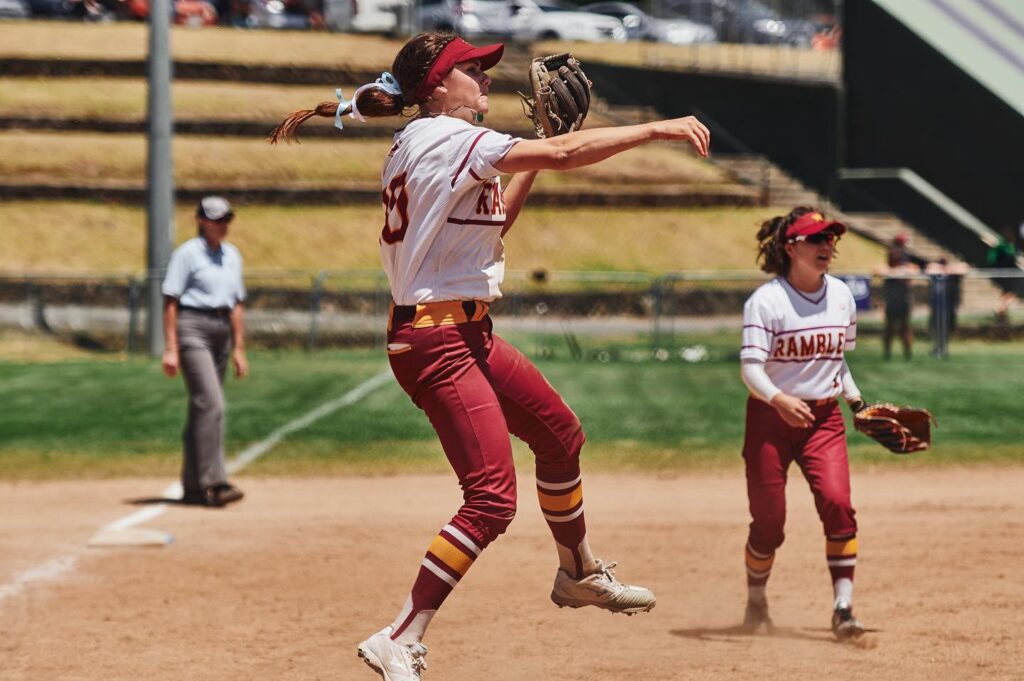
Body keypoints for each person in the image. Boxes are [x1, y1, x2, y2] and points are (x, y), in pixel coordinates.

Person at [269, 32, 710, 680]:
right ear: (437, 87)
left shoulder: (429, 144)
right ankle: (400, 635)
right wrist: (656, 130)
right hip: (436, 340)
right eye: (471, 70)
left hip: (464, 333)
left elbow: (492, 229)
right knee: (491, 499)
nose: (484, 78)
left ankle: (578, 571)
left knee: (560, 436)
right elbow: (562, 152)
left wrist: (529, 157)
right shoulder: (446, 138)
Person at [739, 207, 867, 641]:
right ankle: (756, 599)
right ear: (791, 247)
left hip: (824, 419)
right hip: (769, 420)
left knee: (838, 504)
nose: (827, 245)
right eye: (816, 239)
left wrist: (855, 399)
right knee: (770, 524)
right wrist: (778, 399)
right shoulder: (766, 301)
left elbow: (837, 358)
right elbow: (750, 367)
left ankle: (843, 608)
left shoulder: (842, 298)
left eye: (831, 238)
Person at [161, 196, 248, 508]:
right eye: (216, 219)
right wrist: (171, 348)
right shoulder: (187, 254)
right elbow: (170, 301)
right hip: (192, 326)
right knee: (212, 404)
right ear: (201, 220)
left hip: (221, 328)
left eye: (226, 219)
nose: (223, 225)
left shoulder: (231, 255)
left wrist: (239, 347)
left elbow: (237, 303)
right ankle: (215, 481)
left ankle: (193, 486)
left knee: (201, 409)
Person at [878, 234, 919, 360]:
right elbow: (882, 270)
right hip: (892, 297)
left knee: (904, 327)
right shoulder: (894, 254)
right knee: (891, 327)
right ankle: (888, 352)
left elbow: (912, 272)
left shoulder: (905, 259)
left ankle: (907, 353)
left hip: (903, 297)